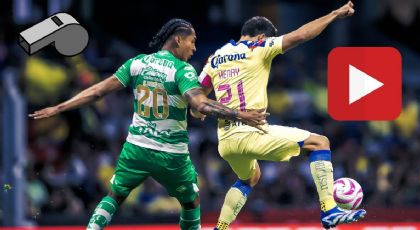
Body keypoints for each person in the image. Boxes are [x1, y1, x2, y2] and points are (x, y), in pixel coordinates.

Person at [29, 18, 267, 230]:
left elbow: (98, 91)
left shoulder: (137, 63)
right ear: (178, 39)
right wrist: (241, 115)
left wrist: (59, 107)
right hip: (171, 155)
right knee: (191, 201)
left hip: (136, 149)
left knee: (115, 195)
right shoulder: (183, 70)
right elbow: (201, 105)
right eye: (192, 42)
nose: (194, 48)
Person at [194, 1, 366, 229]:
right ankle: (329, 210)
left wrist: (204, 113)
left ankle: (221, 227)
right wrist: (333, 14)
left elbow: (197, 104)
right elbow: (301, 35)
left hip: (226, 142)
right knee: (320, 142)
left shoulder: (214, 58)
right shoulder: (258, 47)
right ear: (260, 36)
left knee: (250, 177)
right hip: (250, 133)